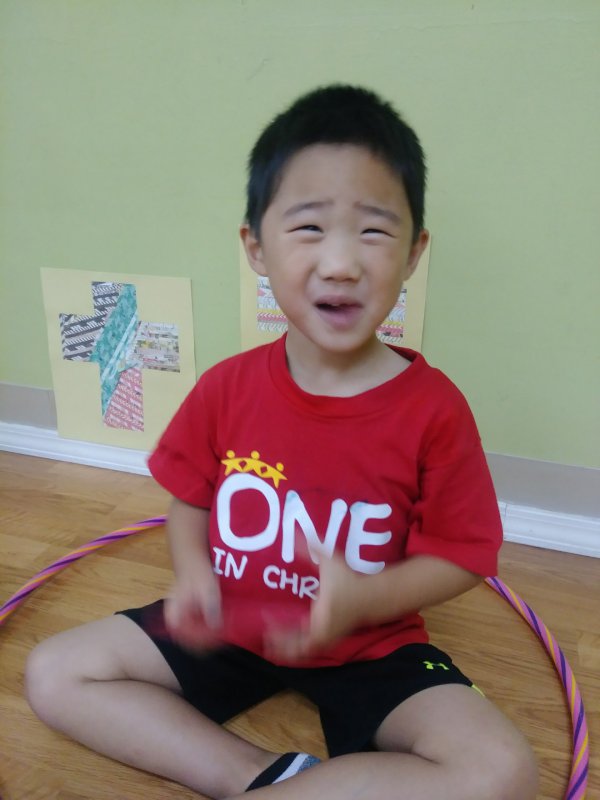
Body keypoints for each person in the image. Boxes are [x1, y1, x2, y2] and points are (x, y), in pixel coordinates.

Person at [25, 84, 538, 800]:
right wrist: (194, 576)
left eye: (373, 231)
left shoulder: (435, 410)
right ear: (256, 248)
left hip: (370, 645)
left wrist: (365, 599)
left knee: (504, 771)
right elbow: (191, 502)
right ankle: (258, 778)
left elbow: (462, 555)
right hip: (231, 627)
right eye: (309, 228)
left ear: (414, 253)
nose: (341, 262)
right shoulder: (227, 387)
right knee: (54, 672)